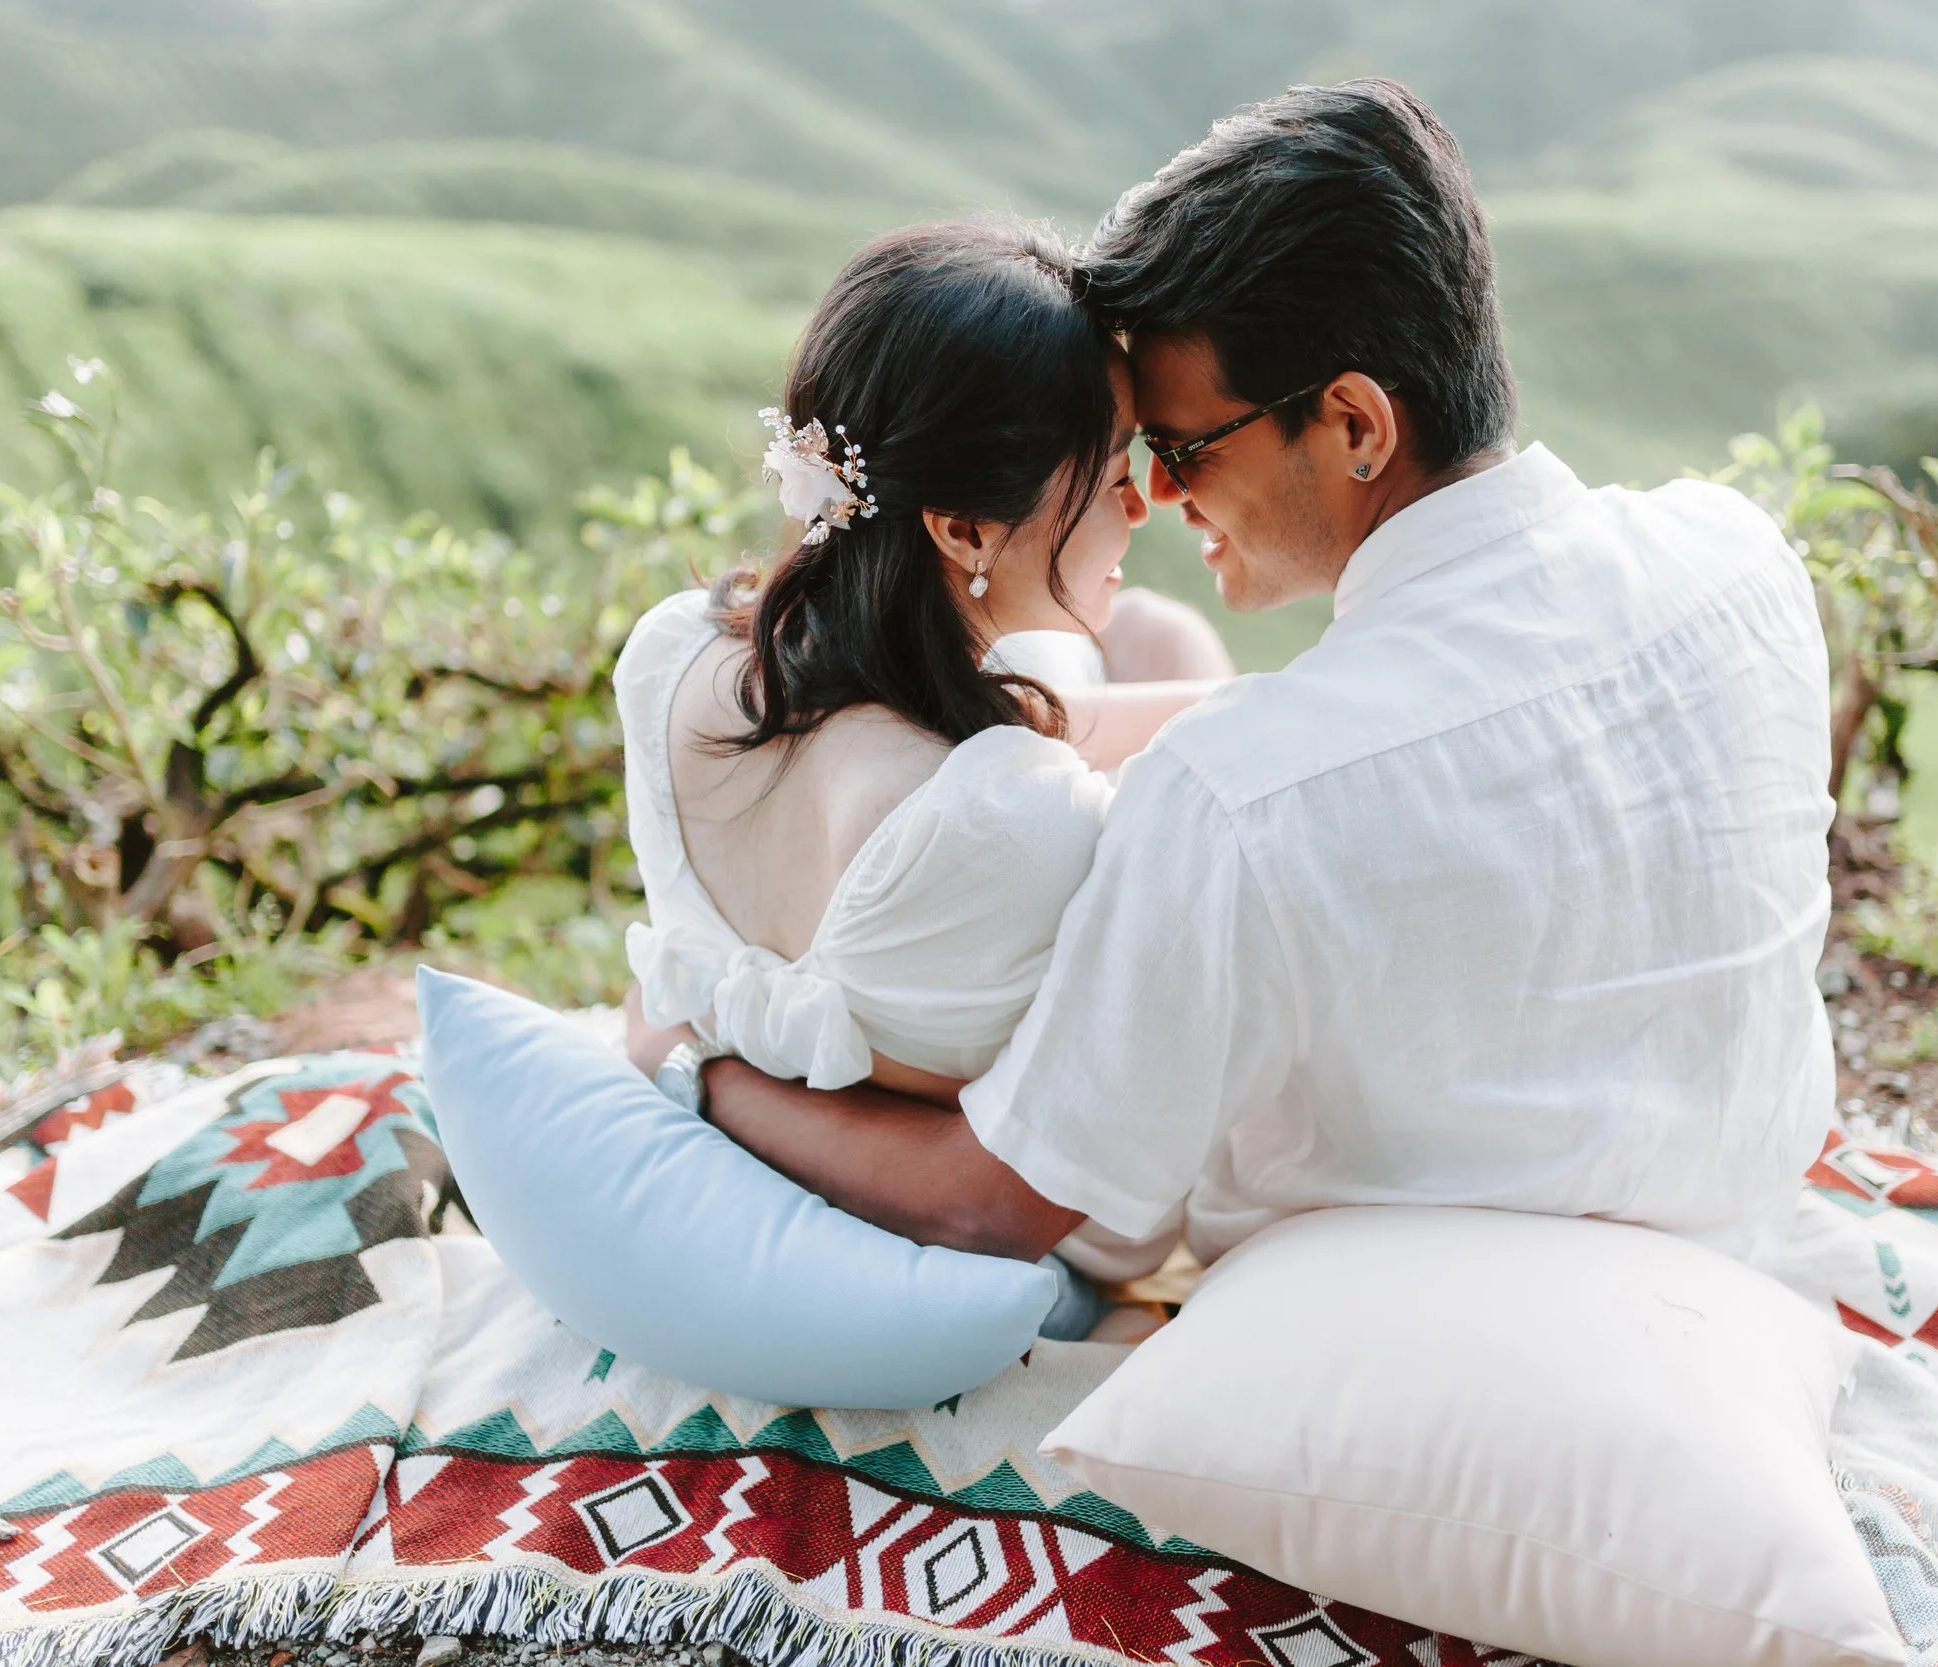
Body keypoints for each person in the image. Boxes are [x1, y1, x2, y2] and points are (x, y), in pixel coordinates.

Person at [629, 78, 1836, 1274]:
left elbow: (998, 1204)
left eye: (1181, 445)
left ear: (1356, 424)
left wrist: (698, 1061)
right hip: (1743, 1241)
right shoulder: (1736, 556)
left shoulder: (1236, 803)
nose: (1156, 494)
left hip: (1382, 1337)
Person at [613, 218, 1222, 1330]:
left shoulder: (667, 657)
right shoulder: (999, 815)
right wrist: (701, 1072)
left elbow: (1005, 731)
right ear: (961, 525)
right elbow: (1063, 1201)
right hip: (1077, 1227)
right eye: (1112, 465)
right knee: (1170, 649)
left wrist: (1227, 709)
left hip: (838, 971)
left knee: (1169, 650)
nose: (1142, 503)